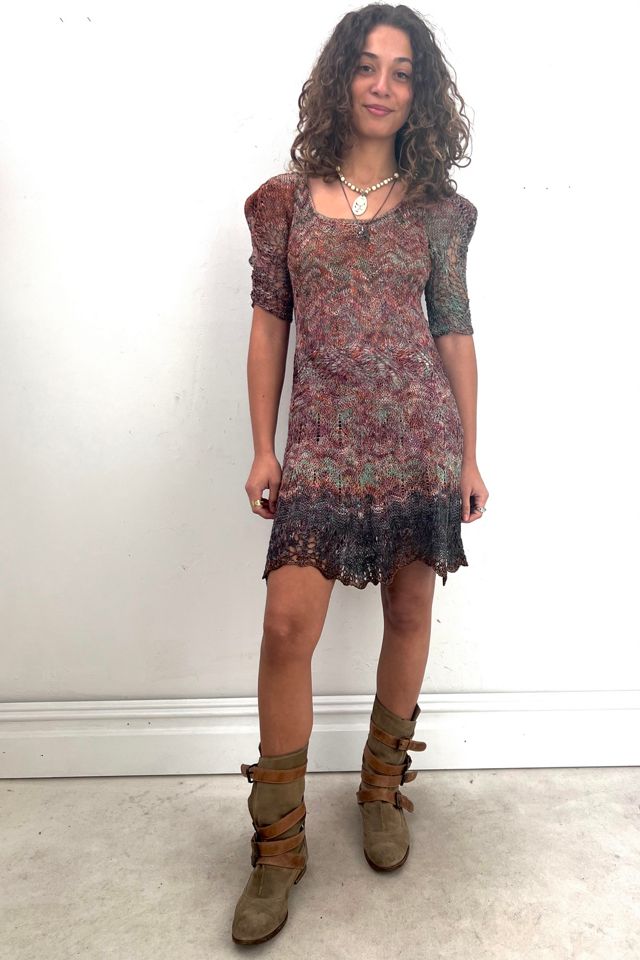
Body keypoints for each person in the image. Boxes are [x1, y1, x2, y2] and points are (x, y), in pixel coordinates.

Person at [232, 2, 489, 946]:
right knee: (286, 627)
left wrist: (468, 453)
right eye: (368, 65)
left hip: (418, 439)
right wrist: (264, 447)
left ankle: (382, 789)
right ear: (341, 77)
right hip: (321, 446)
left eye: (403, 71)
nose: (383, 85)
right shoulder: (282, 202)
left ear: (420, 94)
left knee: (411, 613)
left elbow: (452, 332)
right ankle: (279, 844)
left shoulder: (440, 212)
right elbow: (270, 327)